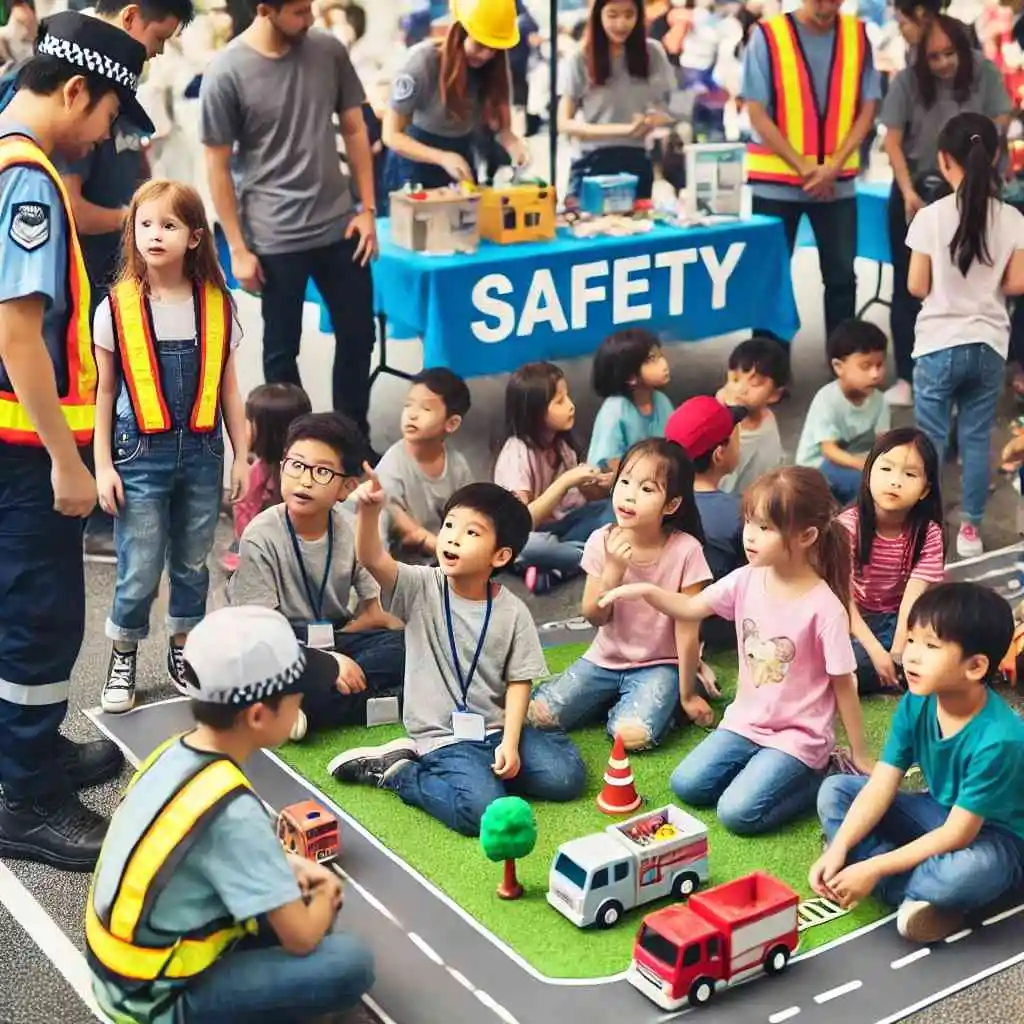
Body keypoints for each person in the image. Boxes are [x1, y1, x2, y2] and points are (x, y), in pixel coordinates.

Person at [0, 11, 152, 870]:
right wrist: (67, 459)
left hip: (14, 440)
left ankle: (30, 748)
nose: (104, 136)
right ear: (76, 91)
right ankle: (28, 798)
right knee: (40, 616)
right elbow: (18, 334)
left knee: (23, 607)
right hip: (26, 449)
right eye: (106, 118)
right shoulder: (30, 180)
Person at [86, 605, 375, 1023]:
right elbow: (301, 938)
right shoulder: (233, 810)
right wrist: (327, 895)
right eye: (298, 697)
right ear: (258, 715)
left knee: (278, 902)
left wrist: (284, 863)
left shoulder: (173, 752)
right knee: (349, 961)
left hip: (120, 972)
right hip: (155, 1004)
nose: (302, 704)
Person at [601, 467, 873, 835]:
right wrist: (645, 592)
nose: (750, 536)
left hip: (798, 737)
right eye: (749, 522)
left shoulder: (825, 608)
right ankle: (771, 769)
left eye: (766, 527)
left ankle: (822, 772)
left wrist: (859, 753)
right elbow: (690, 608)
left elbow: (845, 686)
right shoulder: (746, 578)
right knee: (688, 785)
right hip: (746, 723)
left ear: (807, 535)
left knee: (736, 813)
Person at [330, 479, 587, 837]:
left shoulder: (512, 611)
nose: (452, 537)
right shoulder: (420, 586)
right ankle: (400, 772)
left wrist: (511, 742)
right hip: (444, 736)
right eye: (449, 525)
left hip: (496, 729)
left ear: (500, 556)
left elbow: (519, 682)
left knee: (567, 778)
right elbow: (373, 558)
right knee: (480, 812)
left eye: (471, 532)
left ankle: (487, 772)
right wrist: (370, 512)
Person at [94, 180, 248, 715]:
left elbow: (229, 387)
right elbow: (104, 391)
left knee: (192, 561)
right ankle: (124, 651)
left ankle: (183, 649)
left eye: (169, 225)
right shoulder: (114, 309)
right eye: (145, 224)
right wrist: (101, 467)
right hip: (139, 455)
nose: (154, 235)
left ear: (195, 237)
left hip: (203, 454)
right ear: (131, 232)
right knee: (139, 564)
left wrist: (242, 454)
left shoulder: (216, 305)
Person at [200, 0, 379, 448]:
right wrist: (238, 248)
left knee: (359, 336)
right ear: (265, 9)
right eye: (299, 11)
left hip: (340, 226)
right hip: (274, 235)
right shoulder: (226, 71)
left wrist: (369, 210)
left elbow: (355, 129)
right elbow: (217, 166)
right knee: (282, 353)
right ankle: (292, 450)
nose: (310, 18)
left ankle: (351, 443)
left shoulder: (328, 51)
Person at [811, 583, 1024, 944]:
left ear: (975, 667)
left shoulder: (1000, 739)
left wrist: (872, 865)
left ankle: (914, 886)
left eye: (930, 646)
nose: (911, 656)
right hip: (937, 811)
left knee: (962, 875)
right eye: (910, 641)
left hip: (996, 837)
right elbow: (881, 784)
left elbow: (959, 833)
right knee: (836, 791)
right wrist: (840, 847)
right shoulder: (916, 703)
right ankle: (915, 893)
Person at [528, 439, 711, 751]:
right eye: (624, 481)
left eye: (647, 489)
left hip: (660, 663)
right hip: (604, 660)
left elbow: (687, 630)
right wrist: (613, 569)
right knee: (539, 716)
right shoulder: (601, 540)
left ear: (671, 505)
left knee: (632, 737)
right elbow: (593, 615)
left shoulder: (686, 551)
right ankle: (615, 697)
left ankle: (659, 700)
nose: (629, 494)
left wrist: (687, 695)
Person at [230, 413, 405, 739]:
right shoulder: (260, 535)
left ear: (346, 487)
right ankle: (385, 701)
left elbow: (375, 610)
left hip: (335, 635)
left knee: (405, 646)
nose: (305, 480)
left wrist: (340, 651)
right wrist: (327, 664)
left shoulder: (351, 529)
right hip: (280, 644)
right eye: (296, 465)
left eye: (322, 471)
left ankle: (305, 706)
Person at [907, 111, 1024, 558]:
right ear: (994, 156)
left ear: (942, 159)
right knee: (977, 439)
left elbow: (917, 286)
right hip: (989, 345)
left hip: (938, 343)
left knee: (930, 440)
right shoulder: (1012, 218)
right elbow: (1016, 283)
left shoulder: (931, 217)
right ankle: (971, 531)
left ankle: (928, 530)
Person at [881, 14, 1011, 407]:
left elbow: (1001, 121)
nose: (942, 64)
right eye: (933, 57)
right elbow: (892, 141)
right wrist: (907, 191)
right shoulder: (906, 81)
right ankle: (907, 374)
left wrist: (974, 162)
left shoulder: (984, 72)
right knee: (909, 286)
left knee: (978, 280)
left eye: (949, 54)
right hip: (918, 191)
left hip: (977, 190)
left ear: (963, 48)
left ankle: (983, 373)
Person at [742, 0, 881, 342]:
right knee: (771, 281)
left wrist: (833, 165)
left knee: (841, 281)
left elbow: (868, 107)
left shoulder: (858, 35)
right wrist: (806, 167)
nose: (826, 4)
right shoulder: (767, 35)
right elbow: (757, 111)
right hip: (776, 185)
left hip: (838, 184)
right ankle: (767, 371)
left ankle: (845, 366)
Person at [840, 428, 945, 696]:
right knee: (848, 663)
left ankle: (895, 671)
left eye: (910, 474)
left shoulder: (928, 534)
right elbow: (842, 599)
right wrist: (876, 653)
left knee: (950, 646)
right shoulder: (847, 526)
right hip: (848, 618)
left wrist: (898, 652)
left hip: (897, 622)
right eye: (886, 469)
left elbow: (912, 599)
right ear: (868, 475)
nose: (895, 482)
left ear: (925, 490)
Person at [494, 361, 613, 593]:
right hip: (527, 534)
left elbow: (583, 500)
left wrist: (599, 484)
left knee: (610, 510)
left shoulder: (561, 445)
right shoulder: (516, 453)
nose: (570, 406)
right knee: (528, 546)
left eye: (567, 397)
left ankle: (560, 567)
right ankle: (591, 558)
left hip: (561, 527)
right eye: (559, 401)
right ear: (535, 411)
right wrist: (566, 480)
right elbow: (521, 522)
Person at [384, 0, 529, 189]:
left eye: (493, 48)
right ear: (460, 34)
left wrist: (516, 148)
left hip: (461, 156)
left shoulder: (495, 69)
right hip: (413, 162)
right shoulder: (423, 63)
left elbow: (504, 130)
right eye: (479, 45)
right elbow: (391, 135)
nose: (485, 55)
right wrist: (441, 157)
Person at [558, 0, 675, 200]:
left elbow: (672, 108)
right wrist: (625, 130)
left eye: (629, 15)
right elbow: (564, 123)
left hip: (636, 161)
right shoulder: (580, 57)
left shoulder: (653, 53)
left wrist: (656, 119)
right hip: (592, 162)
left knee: (637, 227)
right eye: (612, 15)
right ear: (598, 16)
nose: (621, 24)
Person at [666, 396, 747, 653]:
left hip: (657, 618)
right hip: (713, 625)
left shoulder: (654, 502)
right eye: (735, 435)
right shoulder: (740, 512)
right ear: (719, 454)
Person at [375, 367, 475, 564]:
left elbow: (469, 508)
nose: (412, 415)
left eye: (426, 409)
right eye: (408, 405)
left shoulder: (457, 464)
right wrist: (425, 539)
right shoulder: (392, 464)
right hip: (400, 563)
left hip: (442, 550)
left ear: (452, 423)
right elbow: (393, 514)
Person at [795, 319, 890, 505]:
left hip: (853, 463)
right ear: (838, 367)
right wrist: (865, 467)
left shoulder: (880, 400)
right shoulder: (827, 399)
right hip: (816, 467)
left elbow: (883, 442)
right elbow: (829, 450)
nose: (875, 374)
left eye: (879, 365)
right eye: (866, 366)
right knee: (867, 487)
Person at [231, 381, 312, 550]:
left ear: (267, 432)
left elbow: (244, 528)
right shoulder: (308, 466)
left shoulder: (258, 476)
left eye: (247, 421)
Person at [586, 327, 674, 473]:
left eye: (660, 355)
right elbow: (610, 465)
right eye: (652, 359)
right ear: (630, 377)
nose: (663, 364)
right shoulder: (615, 409)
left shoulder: (661, 401)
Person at [717, 335, 789, 494]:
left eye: (754, 383)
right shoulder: (716, 422)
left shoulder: (769, 423)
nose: (741, 389)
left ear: (775, 394)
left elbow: (772, 470)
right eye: (735, 379)